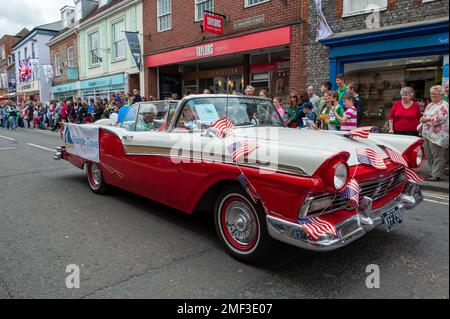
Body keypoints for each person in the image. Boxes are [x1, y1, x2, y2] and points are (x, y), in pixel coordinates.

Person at [420, 85, 449, 182]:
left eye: (435, 94)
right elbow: (424, 116)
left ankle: (436, 175)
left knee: (437, 155)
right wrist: (422, 119)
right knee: (429, 155)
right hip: (427, 133)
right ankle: (433, 172)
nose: (432, 95)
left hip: (438, 135)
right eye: (431, 93)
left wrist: (427, 119)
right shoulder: (430, 105)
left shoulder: (444, 104)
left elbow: (442, 118)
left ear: (441, 94)